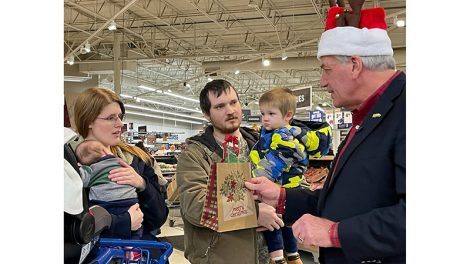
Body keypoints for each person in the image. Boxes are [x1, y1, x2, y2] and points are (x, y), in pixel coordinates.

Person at [245, 4, 406, 264]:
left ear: (355, 65)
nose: (322, 81)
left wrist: (335, 233)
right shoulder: (366, 117)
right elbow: (348, 198)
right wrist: (282, 197)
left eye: (326, 69)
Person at [176, 79, 285, 264]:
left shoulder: (262, 146)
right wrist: (254, 213)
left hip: (268, 256)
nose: (230, 111)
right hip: (221, 257)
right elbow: (194, 207)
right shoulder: (195, 155)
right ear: (206, 114)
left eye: (233, 102)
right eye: (219, 106)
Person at [73, 87, 169, 241]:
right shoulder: (71, 165)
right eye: (111, 118)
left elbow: (158, 218)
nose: (120, 124)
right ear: (89, 120)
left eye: (120, 116)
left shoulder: (136, 158)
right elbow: (73, 231)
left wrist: (142, 184)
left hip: (141, 252)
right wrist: (124, 222)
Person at [250, 88, 331, 264]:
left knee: (272, 223)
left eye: (271, 113)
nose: (265, 118)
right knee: (286, 222)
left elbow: (276, 161)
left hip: (278, 186)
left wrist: (254, 176)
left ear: (288, 116)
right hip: (288, 187)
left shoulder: (283, 136)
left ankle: (277, 258)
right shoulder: (279, 133)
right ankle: (293, 255)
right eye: (263, 113)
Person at [75, 139, 143, 239]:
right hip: (130, 201)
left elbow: (80, 178)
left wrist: (79, 167)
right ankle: (132, 246)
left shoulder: (92, 169)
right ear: (105, 151)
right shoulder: (122, 162)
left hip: (106, 204)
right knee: (137, 227)